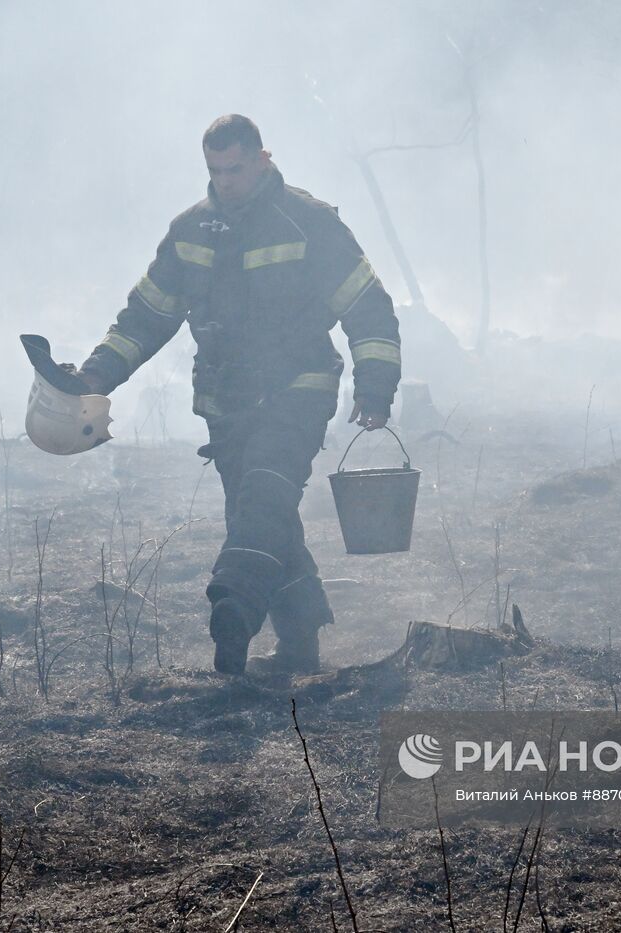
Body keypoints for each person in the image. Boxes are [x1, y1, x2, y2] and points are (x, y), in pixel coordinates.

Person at [67, 114, 401, 676]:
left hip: (298, 389)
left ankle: (235, 608)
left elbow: (367, 307)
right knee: (262, 519)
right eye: (215, 171)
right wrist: (97, 375)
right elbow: (146, 316)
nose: (225, 182)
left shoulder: (309, 223)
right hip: (226, 403)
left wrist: (375, 385)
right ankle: (300, 644)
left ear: (264, 159)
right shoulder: (191, 231)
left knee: (266, 498)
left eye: (237, 168)